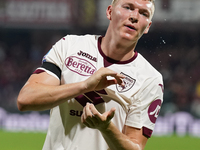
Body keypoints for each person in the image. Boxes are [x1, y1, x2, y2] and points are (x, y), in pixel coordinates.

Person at [17, 0, 164, 150]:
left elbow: (135, 146)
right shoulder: (69, 46)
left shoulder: (150, 78)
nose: (134, 16)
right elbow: (25, 99)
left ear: (148, 27)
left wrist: (106, 128)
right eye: (128, 7)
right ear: (109, 12)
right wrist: (85, 86)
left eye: (143, 13)